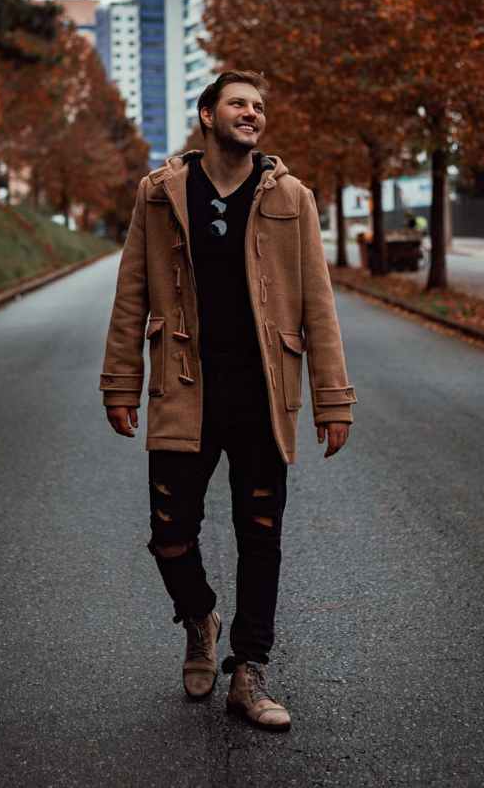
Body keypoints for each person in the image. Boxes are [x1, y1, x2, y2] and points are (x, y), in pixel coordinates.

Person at [99, 70, 356, 733]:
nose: (251, 114)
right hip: (184, 390)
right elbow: (131, 292)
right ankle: (200, 618)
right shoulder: (159, 195)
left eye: (259, 106)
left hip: (263, 395)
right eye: (238, 103)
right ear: (207, 114)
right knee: (169, 533)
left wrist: (332, 397)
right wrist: (119, 381)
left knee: (260, 537)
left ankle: (248, 670)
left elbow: (318, 305)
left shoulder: (291, 197)